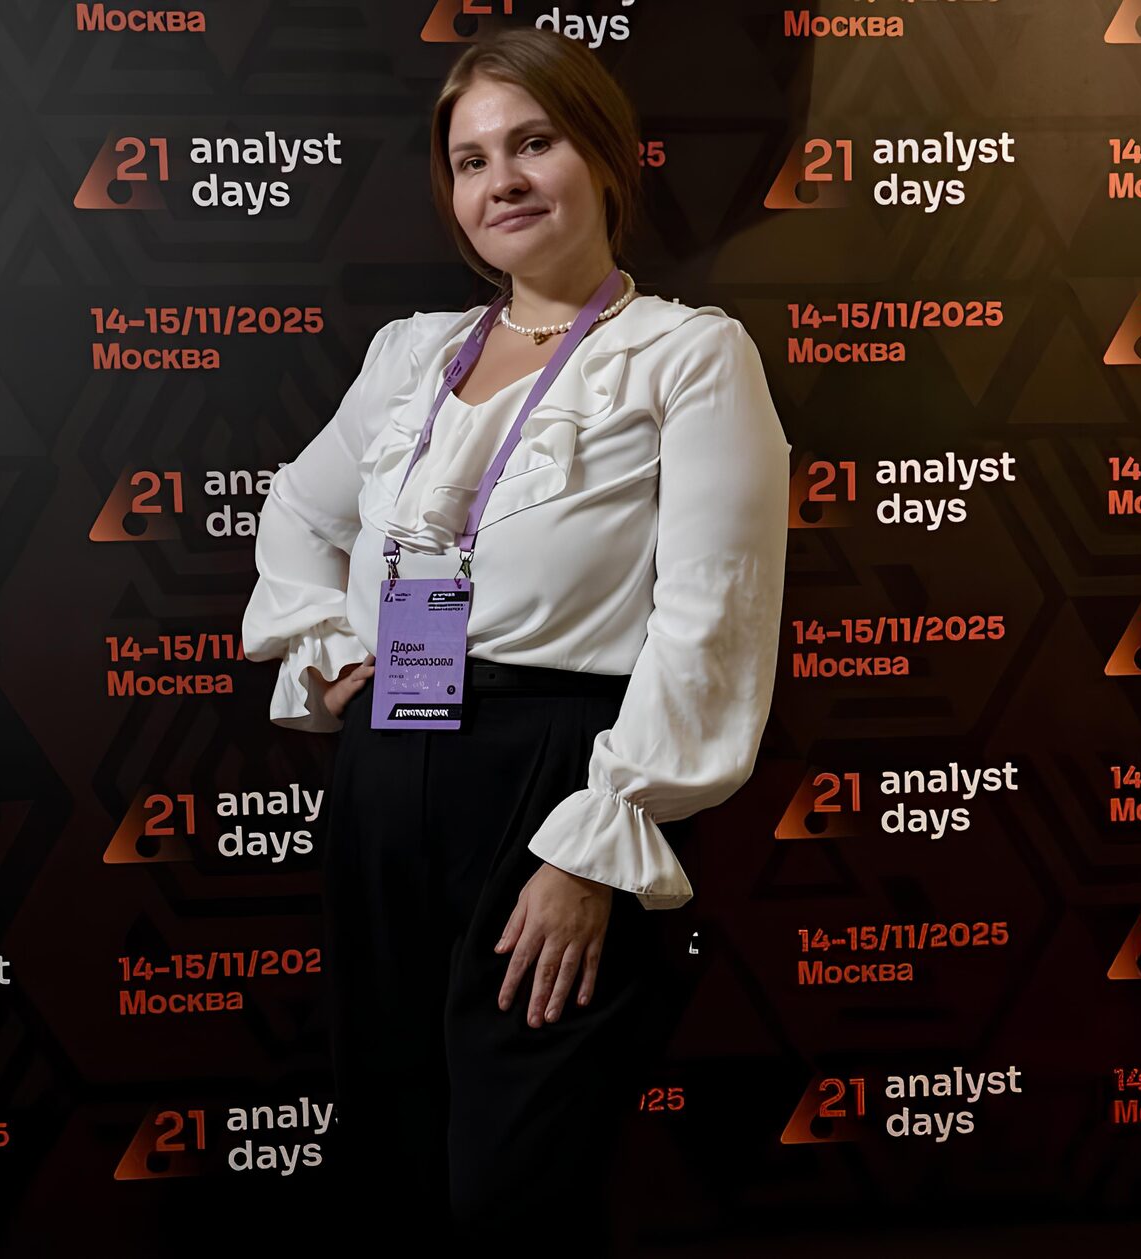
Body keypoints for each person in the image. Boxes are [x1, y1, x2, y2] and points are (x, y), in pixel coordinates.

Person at [239, 26, 791, 1246]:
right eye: (472, 159)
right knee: (394, 1160)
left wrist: (596, 846)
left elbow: (713, 615)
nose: (503, 181)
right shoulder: (411, 354)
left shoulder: (687, 354)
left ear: (603, 156)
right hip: (389, 764)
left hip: (561, 781)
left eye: (533, 143)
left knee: (513, 1187)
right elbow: (298, 511)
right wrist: (325, 641)